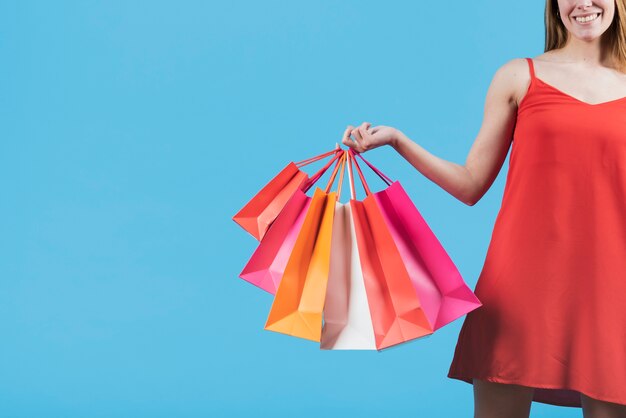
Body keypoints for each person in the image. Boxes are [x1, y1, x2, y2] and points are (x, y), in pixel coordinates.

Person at [341, 0, 626, 417]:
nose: (583, 3)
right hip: (521, 282)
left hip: (610, 285)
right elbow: (471, 183)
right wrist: (399, 141)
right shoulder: (518, 76)